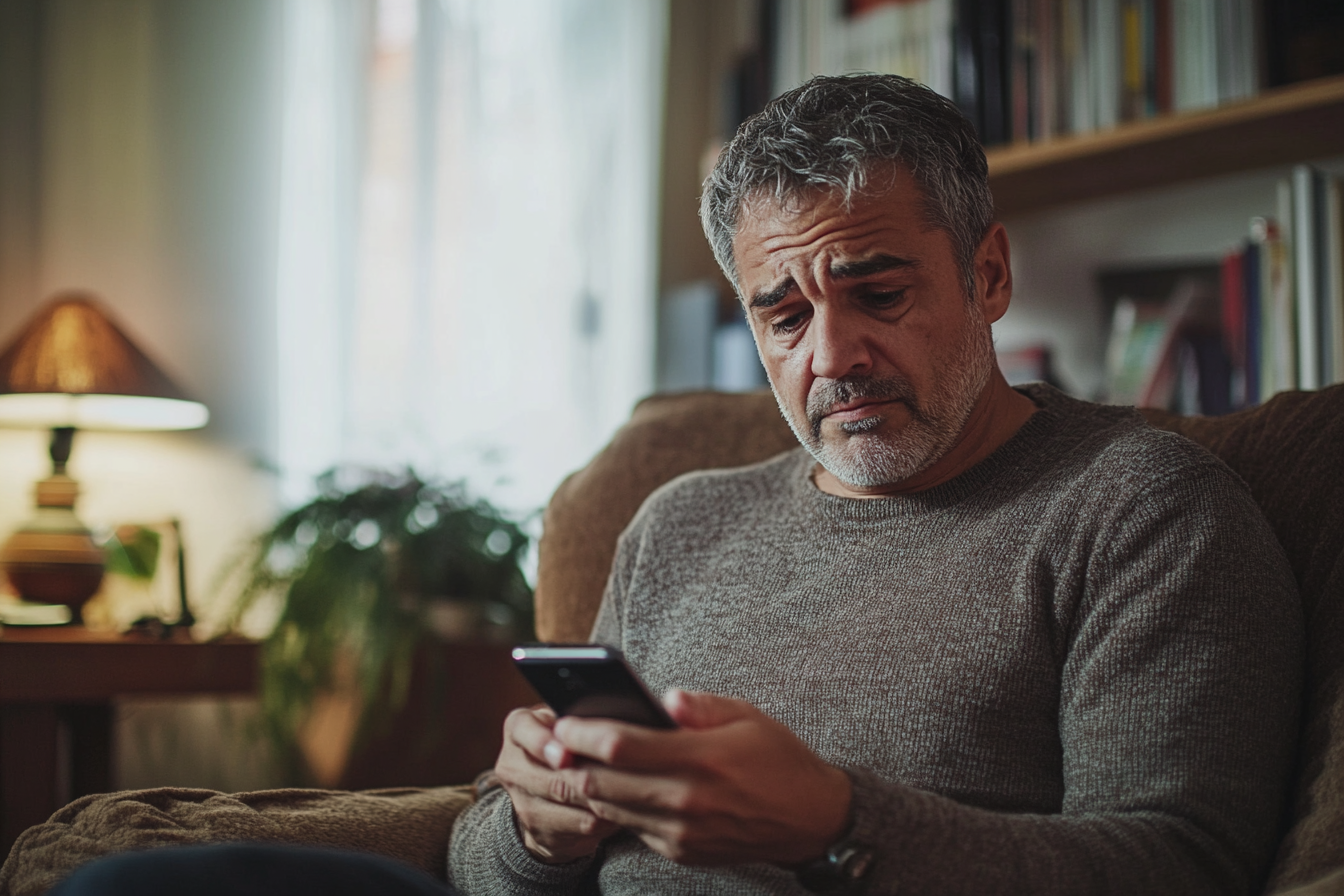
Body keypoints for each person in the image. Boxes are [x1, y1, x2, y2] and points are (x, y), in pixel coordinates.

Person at [447, 73, 1302, 894]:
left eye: (881, 294)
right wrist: (533, 828)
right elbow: (479, 864)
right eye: (784, 317)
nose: (831, 357)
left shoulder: (1144, 512)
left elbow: (1182, 868)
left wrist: (836, 827)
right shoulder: (677, 523)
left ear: (990, 276)